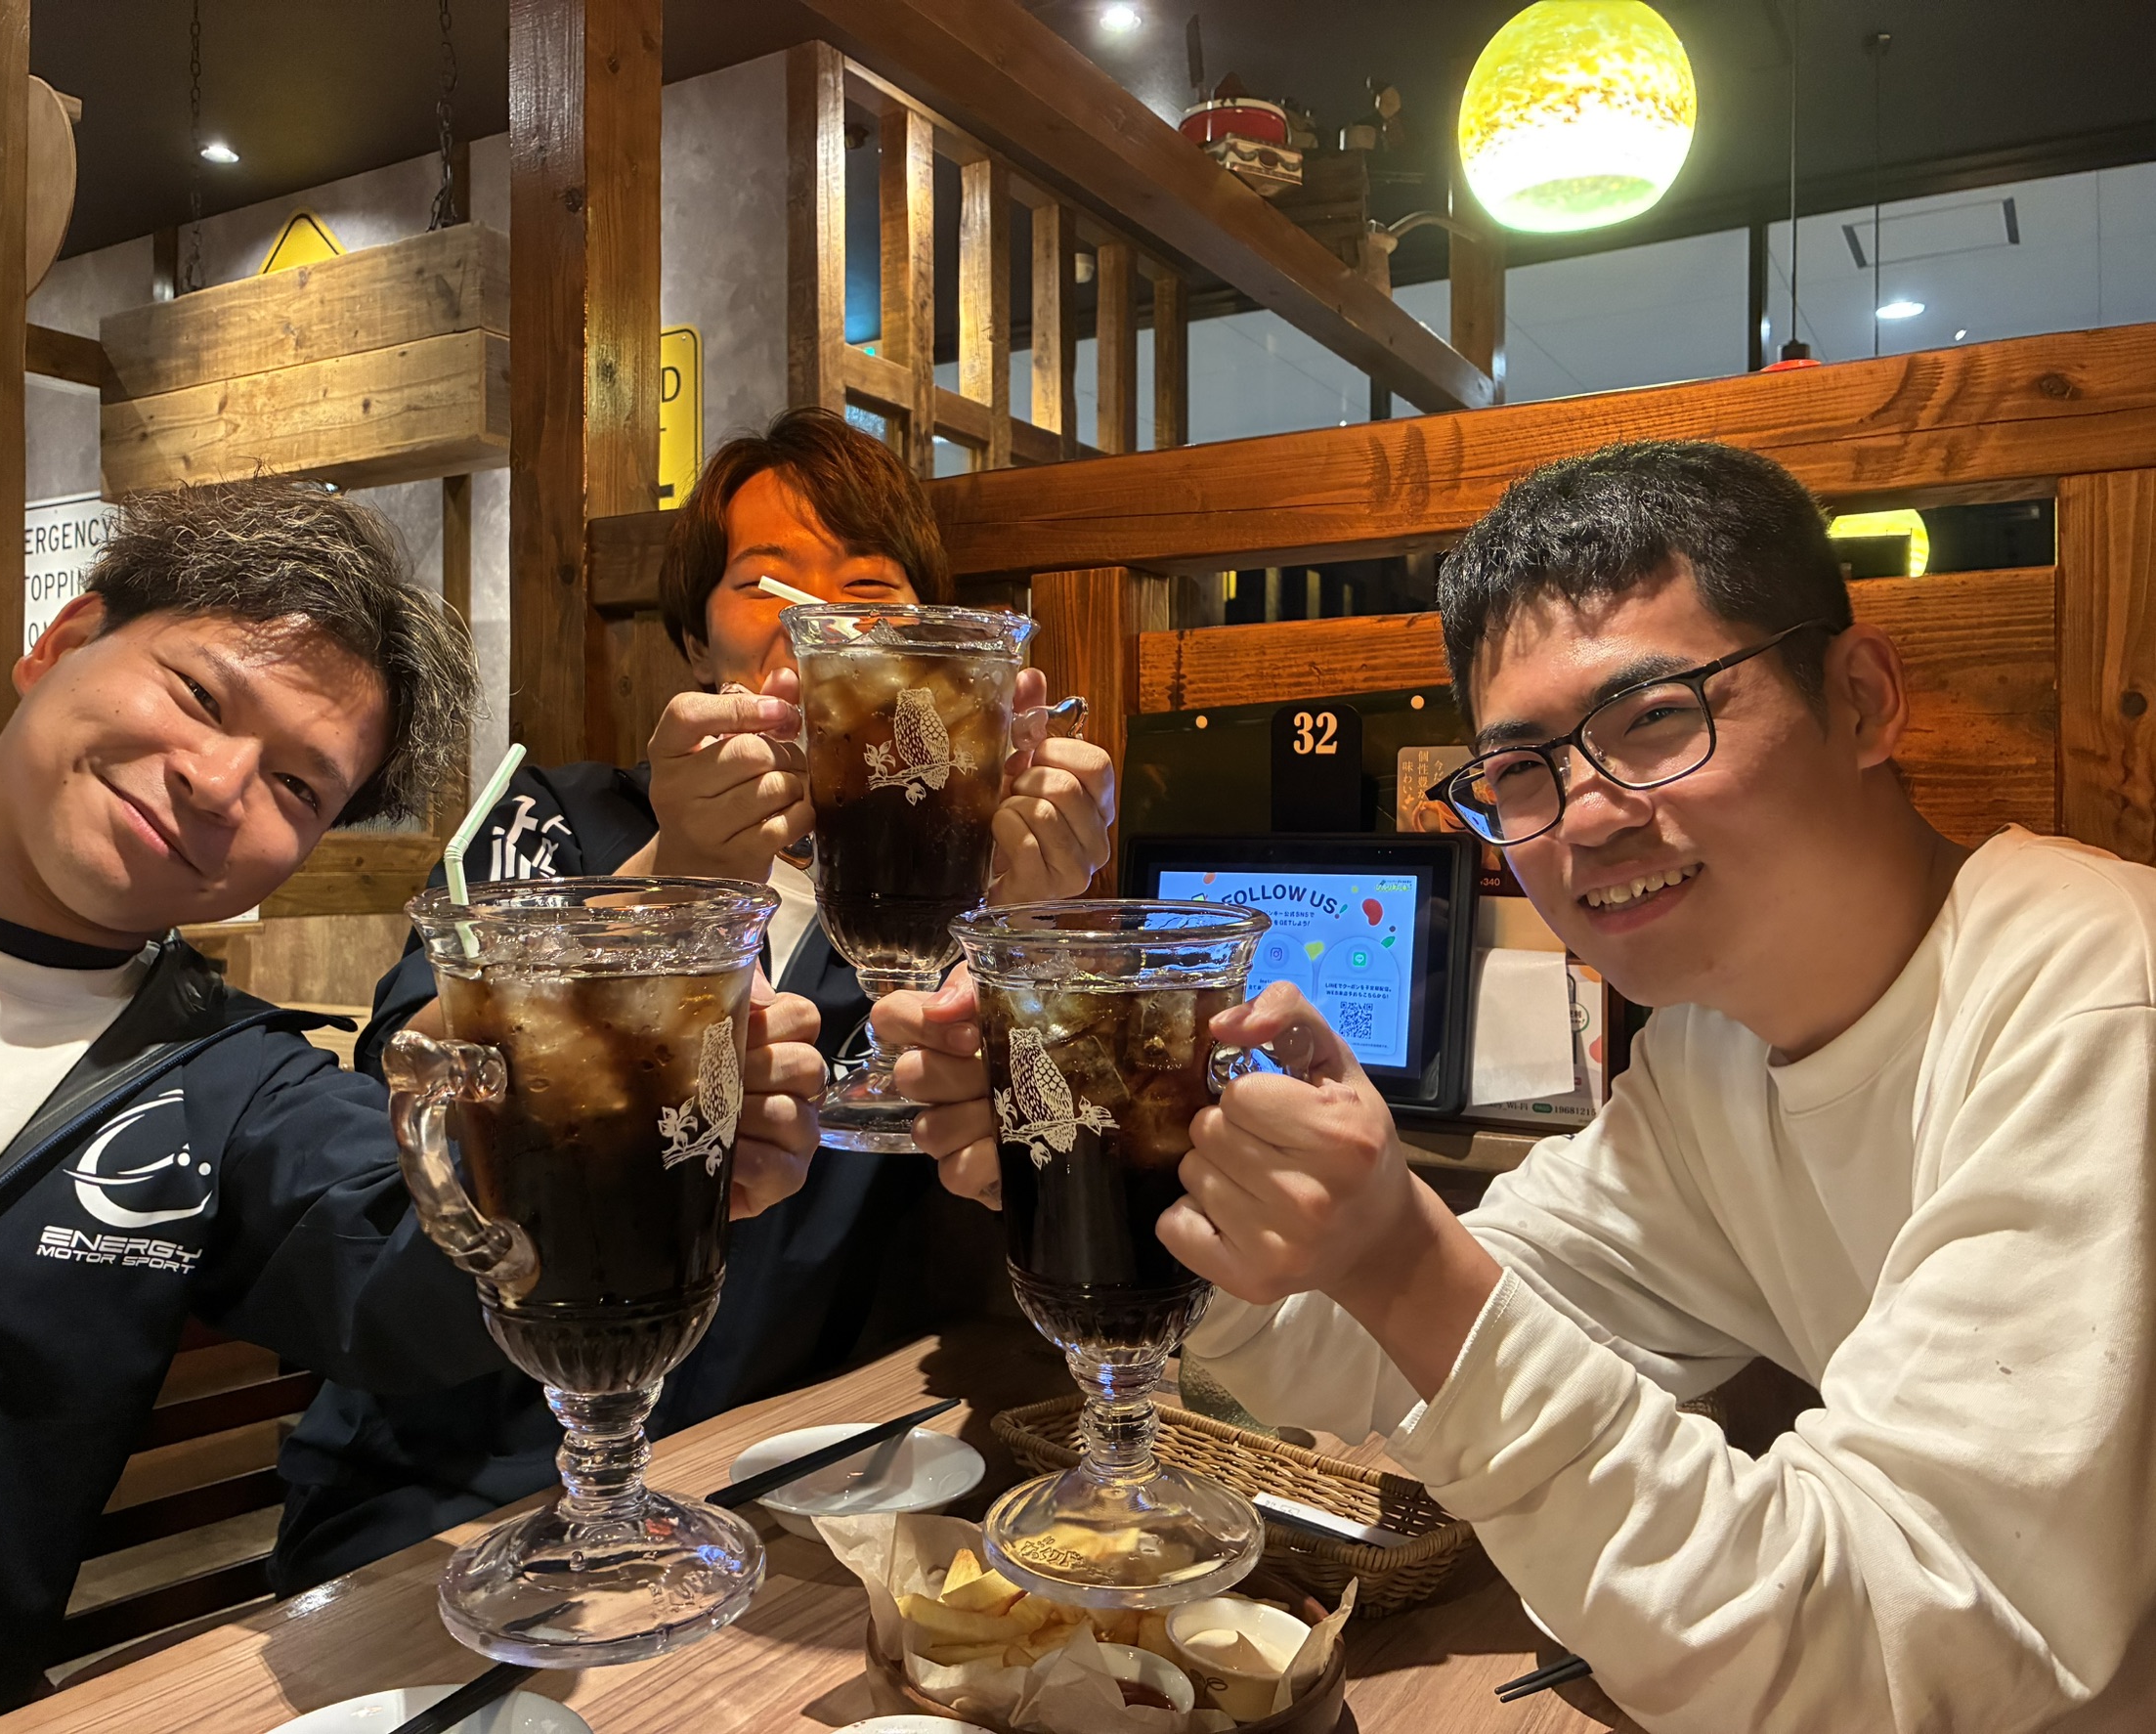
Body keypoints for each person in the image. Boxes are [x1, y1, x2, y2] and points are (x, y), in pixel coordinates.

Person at [885, 441, 2156, 1732]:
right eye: (1523, 772)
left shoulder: (2091, 998)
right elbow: (1417, 1343)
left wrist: (1401, 1259)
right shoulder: (1713, 1052)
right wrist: (1117, 1175)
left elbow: (1891, 1649)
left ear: (1864, 699)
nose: (1588, 816)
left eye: (1655, 718)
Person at [0, 480, 826, 1732]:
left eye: (298, 787)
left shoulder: (222, 1078)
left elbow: (403, 1289)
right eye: (201, 696)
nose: (218, 782)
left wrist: (635, 1148)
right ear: (65, 639)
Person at [269, 408, 1118, 1592]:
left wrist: (1026, 946)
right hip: (450, 1494)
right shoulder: (556, 816)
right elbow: (403, 1084)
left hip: (769, 1496)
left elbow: (1045, 1187)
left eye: (869, 587)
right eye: (764, 582)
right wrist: (676, 871)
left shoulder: (934, 898)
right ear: (695, 635)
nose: (817, 618)